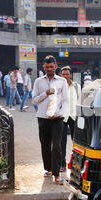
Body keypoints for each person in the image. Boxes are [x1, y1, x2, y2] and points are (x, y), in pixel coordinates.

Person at [32, 56, 69, 185]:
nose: (49, 69)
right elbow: (34, 100)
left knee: (57, 146)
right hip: (43, 117)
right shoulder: (38, 81)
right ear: (43, 67)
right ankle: (48, 169)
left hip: (57, 118)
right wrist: (46, 93)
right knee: (45, 145)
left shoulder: (62, 81)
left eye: (51, 67)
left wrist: (59, 113)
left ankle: (56, 173)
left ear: (55, 66)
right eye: (47, 67)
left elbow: (65, 100)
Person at [60, 66, 81, 172]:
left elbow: (80, 101)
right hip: (62, 117)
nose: (65, 76)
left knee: (76, 142)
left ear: (71, 75)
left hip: (74, 117)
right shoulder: (58, 87)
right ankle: (62, 164)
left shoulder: (77, 87)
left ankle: (75, 164)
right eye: (63, 74)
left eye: (67, 74)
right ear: (60, 75)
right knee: (61, 142)